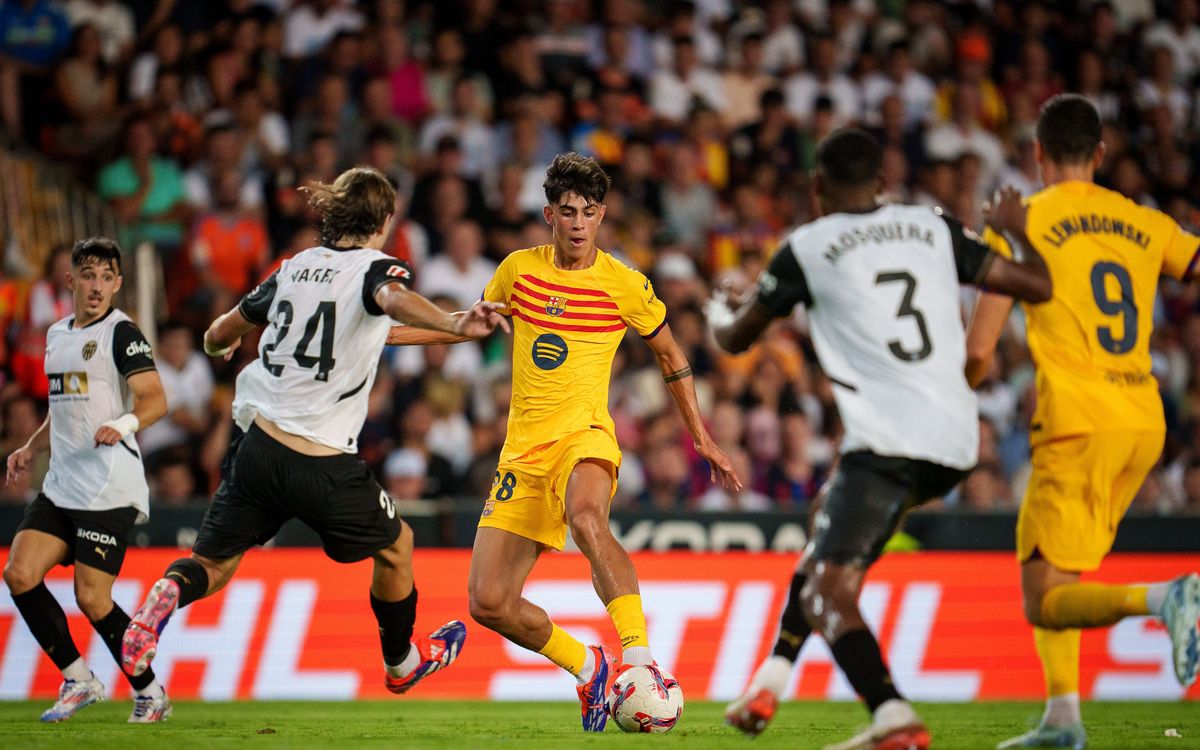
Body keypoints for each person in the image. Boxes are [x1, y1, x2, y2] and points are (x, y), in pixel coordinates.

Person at [707, 128, 1053, 750]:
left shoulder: (807, 246)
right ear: (882, 184)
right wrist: (1014, 226)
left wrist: (718, 313)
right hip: (955, 439)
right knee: (823, 529)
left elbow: (736, 340)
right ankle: (771, 677)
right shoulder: (931, 225)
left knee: (831, 588)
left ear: (817, 189)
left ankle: (892, 715)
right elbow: (1036, 285)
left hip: (888, 440)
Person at [119, 167, 508, 705]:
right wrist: (454, 324)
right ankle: (401, 664)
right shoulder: (378, 269)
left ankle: (161, 599)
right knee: (398, 548)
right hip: (320, 458)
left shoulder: (293, 269)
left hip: (257, 448)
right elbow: (390, 300)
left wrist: (457, 321)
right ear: (386, 222)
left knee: (211, 566)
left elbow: (217, 334)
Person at [388, 152, 740, 731]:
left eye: (590, 212)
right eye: (568, 211)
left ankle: (641, 661)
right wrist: (387, 333)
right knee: (488, 602)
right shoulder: (518, 271)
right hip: (522, 453)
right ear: (550, 214)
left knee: (586, 519)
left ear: (602, 216)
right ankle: (589, 666)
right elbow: (465, 326)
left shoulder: (626, 285)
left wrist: (701, 437)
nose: (579, 223)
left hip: (586, 437)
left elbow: (672, 356)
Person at [963, 94, 1200, 750]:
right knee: (1054, 571)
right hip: (1144, 423)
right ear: (1100, 155)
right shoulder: (1144, 221)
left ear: (1037, 154)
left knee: (1041, 596)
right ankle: (1063, 719)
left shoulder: (1022, 220)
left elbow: (980, 352)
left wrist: (954, 396)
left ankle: (1164, 600)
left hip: (1077, 420)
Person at [3, 237, 170, 723]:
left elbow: (155, 400)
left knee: (92, 597)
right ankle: (78, 678)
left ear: (118, 285)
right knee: (19, 573)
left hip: (108, 484)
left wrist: (122, 424)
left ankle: (151, 692)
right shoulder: (56, 335)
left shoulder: (122, 333)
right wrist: (31, 446)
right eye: (88, 275)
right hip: (61, 482)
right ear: (71, 280)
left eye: (106, 277)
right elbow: (64, 408)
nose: (96, 286)